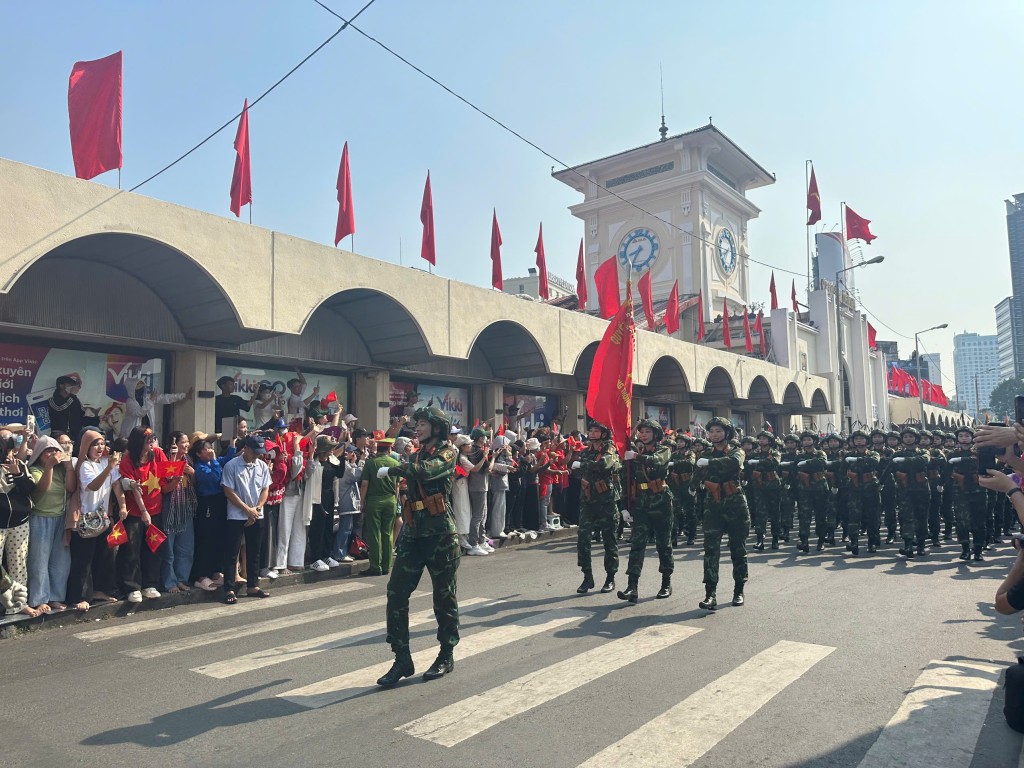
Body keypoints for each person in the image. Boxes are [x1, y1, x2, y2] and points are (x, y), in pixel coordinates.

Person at [376, 406, 460, 687]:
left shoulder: (447, 452)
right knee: (396, 592)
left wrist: (395, 466)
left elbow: (427, 471)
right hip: (413, 533)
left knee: (443, 596)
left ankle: (446, 654)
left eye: (422, 423)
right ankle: (401, 657)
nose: (417, 428)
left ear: (437, 428)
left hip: (440, 536)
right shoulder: (417, 454)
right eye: (417, 424)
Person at [697, 417, 749, 611]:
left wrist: (708, 463)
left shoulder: (737, 451)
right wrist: (701, 482)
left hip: (735, 504)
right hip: (713, 506)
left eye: (718, 431)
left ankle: (738, 590)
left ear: (727, 433)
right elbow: (697, 476)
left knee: (738, 549)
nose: (714, 435)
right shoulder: (705, 453)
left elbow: (733, 463)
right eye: (711, 432)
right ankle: (710, 594)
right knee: (711, 550)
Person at [67, 429, 124, 610]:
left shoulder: (107, 463)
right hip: (86, 519)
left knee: (104, 556)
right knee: (84, 560)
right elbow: (93, 486)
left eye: (102, 443)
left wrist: (122, 505)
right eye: (95, 444)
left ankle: (100, 591)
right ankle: (80, 597)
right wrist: (109, 468)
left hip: (103, 518)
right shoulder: (85, 465)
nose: (100, 447)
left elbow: (116, 485)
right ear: (86, 447)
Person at [619, 419, 674, 602]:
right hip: (641, 504)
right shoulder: (635, 453)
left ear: (656, 434)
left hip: (661, 502)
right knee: (637, 545)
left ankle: (666, 582)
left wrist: (635, 456)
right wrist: (624, 507)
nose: (643, 434)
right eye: (641, 432)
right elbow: (627, 482)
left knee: (663, 545)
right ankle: (631, 587)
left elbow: (658, 462)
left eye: (647, 432)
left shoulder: (663, 449)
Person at [27, 434, 77, 612]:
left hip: (60, 517)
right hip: (40, 517)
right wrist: (49, 466)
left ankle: (55, 597)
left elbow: (71, 488)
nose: (52, 454)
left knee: (60, 561)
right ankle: (39, 599)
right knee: (39, 561)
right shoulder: (35, 469)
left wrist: (68, 466)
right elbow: (43, 488)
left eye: (55, 450)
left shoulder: (62, 469)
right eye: (47, 451)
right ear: (39, 453)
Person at [117, 426, 168, 602]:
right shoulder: (127, 459)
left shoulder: (158, 454)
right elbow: (133, 488)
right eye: (149, 440)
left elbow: (167, 475)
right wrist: (144, 512)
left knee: (153, 548)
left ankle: (150, 583)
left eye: (154, 438)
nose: (152, 442)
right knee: (132, 549)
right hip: (135, 511)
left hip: (156, 508)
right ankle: (132, 587)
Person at [571, 421, 621, 595]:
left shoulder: (610, 450)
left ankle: (610, 577)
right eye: (590, 430)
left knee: (609, 540)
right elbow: (576, 471)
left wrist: (583, 465)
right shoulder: (585, 452)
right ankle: (587, 577)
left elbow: (605, 465)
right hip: (588, 499)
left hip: (606, 501)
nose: (592, 433)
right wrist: (579, 466)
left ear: (604, 434)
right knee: (583, 538)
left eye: (596, 431)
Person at [220, 435, 272, 604]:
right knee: (232, 551)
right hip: (236, 514)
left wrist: (256, 509)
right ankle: (229, 587)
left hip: (256, 513)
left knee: (254, 550)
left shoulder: (262, 466)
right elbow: (228, 490)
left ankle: (253, 585)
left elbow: (265, 489)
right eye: (254, 452)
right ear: (246, 449)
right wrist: (246, 510)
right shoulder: (232, 465)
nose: (257, 455)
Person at [189, 436, 234, 591]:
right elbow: (215, 478)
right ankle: (201, 575)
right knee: (206, 539)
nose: (210, 450)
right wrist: (214, 461)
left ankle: (216, 571)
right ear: (199, 453)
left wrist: (232, 442)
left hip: (219, 502)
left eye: (210, 447)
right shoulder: (200, 467)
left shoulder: (213, 462)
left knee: (219, 537)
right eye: (206, 448)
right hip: (207, 503)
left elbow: (229, 458)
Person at [161, 431, 197, 593]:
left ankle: (182, 578)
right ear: (173, 444)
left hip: (186, 507)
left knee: (185, 547)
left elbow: (195, 484)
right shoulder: (166, 458)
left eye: (187, 441)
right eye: (183, 442)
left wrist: (193, 473)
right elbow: (166, 485)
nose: (187, 445)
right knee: (169, 549)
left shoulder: (189, 460)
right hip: (171, 508)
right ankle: (169, 582)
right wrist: (174, 461)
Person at [0, 429, 34, 600]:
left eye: (9, 438)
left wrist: (17, 474)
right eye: (3, 439)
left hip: (19, 522)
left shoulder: (19, 464)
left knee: (18, 564)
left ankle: (18, 604)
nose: (7, 442)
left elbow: (30, 491)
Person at [888, 427, 931, 559]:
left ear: (916, 439)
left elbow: (923, 461)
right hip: (904, 490)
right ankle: (908, 545)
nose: (908, 439)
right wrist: (880, 483)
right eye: (905, 436)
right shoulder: (896, 455)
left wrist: (904, 461)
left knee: (921, 517)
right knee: (906, 517)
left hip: (921, 489)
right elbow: (889, 469)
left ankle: (921, 545)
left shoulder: (923, 452)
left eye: (911, 436)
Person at [360, 438, 401, 576]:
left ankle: (375, 566)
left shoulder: (371, 463)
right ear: (389, 450)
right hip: (391, 501)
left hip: (374, 501)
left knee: (374, 533)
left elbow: (364, 484)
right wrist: (395, 500)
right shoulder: (395, 463)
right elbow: (397, 486)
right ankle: (386, 566)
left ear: (378, 449)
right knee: (388, 533)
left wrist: (362, 501)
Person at [948, 426, 988, 561]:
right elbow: (947, 472)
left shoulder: (979, 452)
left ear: (972, 437)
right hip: (960, 492)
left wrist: (962, 460)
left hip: (979, 491)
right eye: (961, 436)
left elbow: (987, 466)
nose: (964, 438)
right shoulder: (952, 454)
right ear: (957, 438)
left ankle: (978, 550)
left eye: (966, 435)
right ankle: (965, 549)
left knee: (979, 521)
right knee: (962, 522)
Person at [843, 430, 881, 556]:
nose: (859, 440)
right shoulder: (847, 455)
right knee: (854, 516)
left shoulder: (873, 454)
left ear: (866, 441)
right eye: (856, 439)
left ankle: (872, 542)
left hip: (871, 488)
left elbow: (874, 462)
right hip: (855, 488)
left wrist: (856, 459)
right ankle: (854, 542)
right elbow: (842, 468)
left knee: (872, 516)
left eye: (861, 438)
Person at [795, 431, 832, 553]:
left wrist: (807, 463)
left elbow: (821, 463)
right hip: (805, 489)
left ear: (814, 441)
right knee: (804, 516)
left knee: (821, 516)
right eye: (804, 440)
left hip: (820, 489)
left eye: (809, 439)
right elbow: (795, 469)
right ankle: (804, 541)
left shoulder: (820, 453)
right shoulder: (799, 456)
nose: (806, 442)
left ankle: (821, 540)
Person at [747, 431, 783, 550]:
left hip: (773, 486)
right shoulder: (754, 453)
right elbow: (748, 466)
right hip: (759, 486)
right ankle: (760, 540)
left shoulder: (775, 452)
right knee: (760, 513)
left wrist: (759, 462)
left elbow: (774, 463)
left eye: (764, 438)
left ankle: (775, 539)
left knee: (775, 513)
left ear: (770, 441)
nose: (762, 440)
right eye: (760, 438)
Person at [121, 377, 192, 437]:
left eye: (143, 387)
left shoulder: (147, 398)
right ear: (132, 389)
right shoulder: (130, 402)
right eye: (138, 387)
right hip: (132, 434)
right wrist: (151, 400)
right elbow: (140, 413)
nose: (141, 389)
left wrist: (184, 395)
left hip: (147, 432)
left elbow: (165, 398)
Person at [48, 374, 83, 439]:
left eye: (73, 384)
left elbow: (81, 416)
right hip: (58, 436)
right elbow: (59, 408)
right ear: (61, 386)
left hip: (74, 436)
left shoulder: (74, 400)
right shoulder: (52, 400)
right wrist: (72, 398)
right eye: (70, 384)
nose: (72, 386)